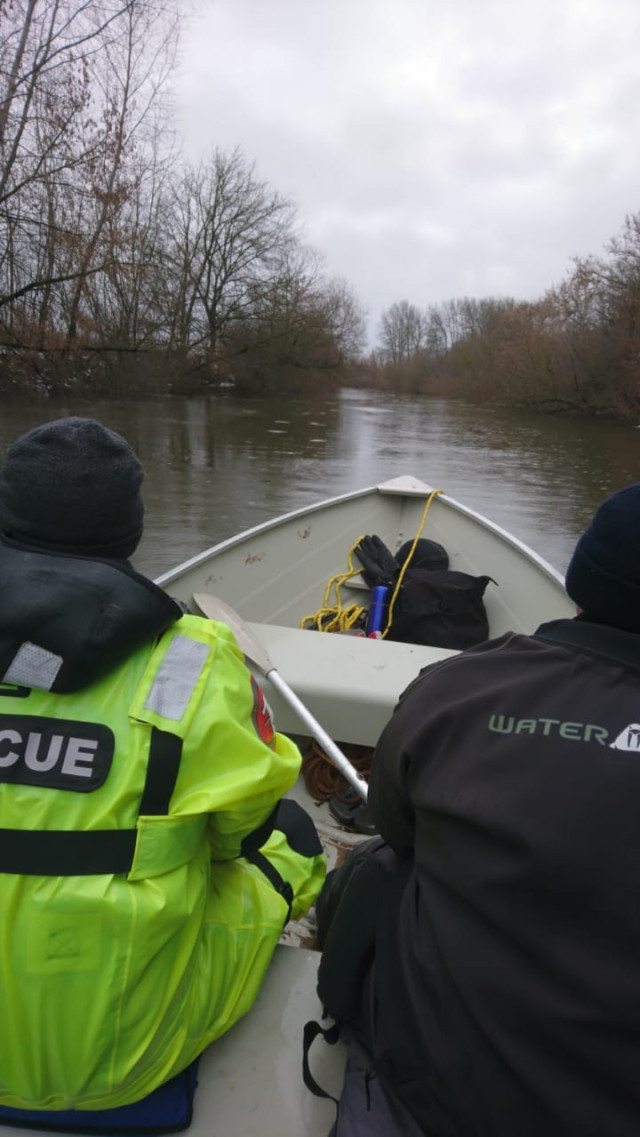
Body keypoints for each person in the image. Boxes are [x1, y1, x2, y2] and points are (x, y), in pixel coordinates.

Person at [0, 417, 325, 1114]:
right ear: (131, 532)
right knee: (292, 836)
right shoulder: (195, 660)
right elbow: (238, 836)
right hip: (114, 1064)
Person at [314, 483, 640, 1137]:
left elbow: (395, 826)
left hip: (437, 1094)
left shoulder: (457, 685)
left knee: (378, 864)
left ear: (581, 584)